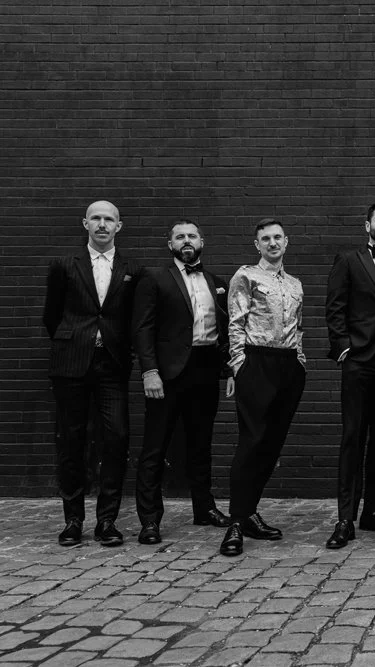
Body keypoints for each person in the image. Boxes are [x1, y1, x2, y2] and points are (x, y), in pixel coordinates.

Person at [43, 200, 144, 547]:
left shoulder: (132, 268)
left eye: (109, 219)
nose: (102, 224)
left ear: (119, 226)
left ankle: (107, 521)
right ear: (84, 223)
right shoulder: (64, 265)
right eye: (96, 218)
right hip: (71, 364)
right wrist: (74, 340)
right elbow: (51, 315)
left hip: (112, 365)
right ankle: (73, 520)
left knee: (116, 438)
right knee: (71, 441)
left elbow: (134, 319)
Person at [132, 220, 235, 544]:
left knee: (201, 445)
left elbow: (224, 330)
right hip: (167, 375)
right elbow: (143, 328)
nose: (186, 241)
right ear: (170, 244)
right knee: (155, 447)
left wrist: (228, 370)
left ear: (202, 241)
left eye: (192, 236)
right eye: (180, 237)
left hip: (205, 372)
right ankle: (150, 520)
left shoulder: (216, 281)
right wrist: (149, 371)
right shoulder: (154, 278)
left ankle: (203, 508)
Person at [219, 219, 306, 556]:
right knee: (251, 441)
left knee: (271, 444)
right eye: (265, 239)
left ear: (286, 241)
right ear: (257, 245)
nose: (272, 243)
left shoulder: (296, 284)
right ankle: (236, 523)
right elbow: (235, 323)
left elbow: (298, 326)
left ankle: (250, 511)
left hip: (287, 365)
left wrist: (299, 360)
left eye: (277, 238)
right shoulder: (246, 276)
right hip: (255, 363)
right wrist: (239, 363)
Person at [325, 201, 375, 548]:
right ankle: (345, 519)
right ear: (367, 225)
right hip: (359, 359)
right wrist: (344, 347)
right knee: (353, 438)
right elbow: (335, 306)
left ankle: (371, 512)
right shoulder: (349, 260)